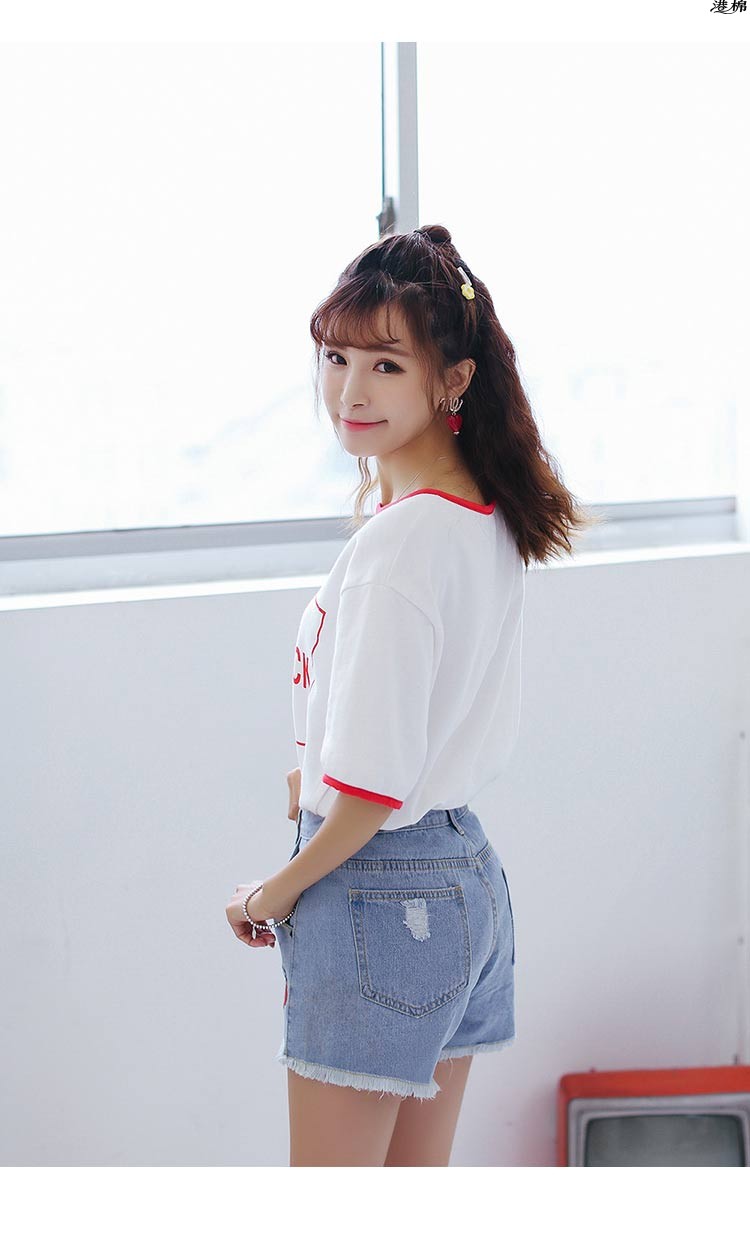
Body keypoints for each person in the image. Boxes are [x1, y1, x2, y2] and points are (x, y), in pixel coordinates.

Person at [225, 224, 599, 1165]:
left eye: (386, 365)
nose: (350, 391)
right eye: (336, 357)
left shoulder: (400, 546)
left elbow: (372, 790)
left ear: (453, 380)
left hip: (376, 891)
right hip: (465, 881)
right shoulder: (485, 514)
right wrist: (309, 782)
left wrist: (274, 892)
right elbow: (418, 723)